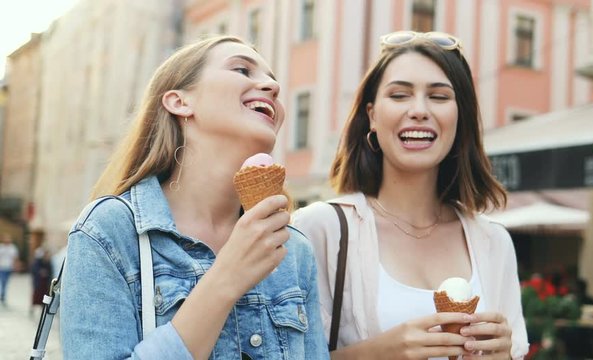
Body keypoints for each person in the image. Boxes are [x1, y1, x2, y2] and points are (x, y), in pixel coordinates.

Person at [60, 35, 328, 359]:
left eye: (272, 79)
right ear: (179, 101)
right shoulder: (109, 232)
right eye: (242, 70)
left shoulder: (292, 248)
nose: (273, 87)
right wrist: (226, 278)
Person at [293, 31, 528, 359]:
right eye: (400, 95)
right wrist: (377, 353)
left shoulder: (493, 241)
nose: (419, 110)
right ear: (373, 115)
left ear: (460, 118)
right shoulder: (319, 229)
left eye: (439, 97)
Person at [29, 230, 52, 315]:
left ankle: (43, 305)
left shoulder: (44, 248)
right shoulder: (37, 250)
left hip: (44, 278)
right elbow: (35, 265)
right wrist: (40, 271)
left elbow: (48, 264)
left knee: (43, 291)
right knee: (37, 291)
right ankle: (34, 307)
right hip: (38, 277)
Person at [0, 233, 19, 306]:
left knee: (6, 282)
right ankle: (2, 294)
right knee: (3, 281)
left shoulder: (12, 248)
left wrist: (15, 266)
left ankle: (3, 294)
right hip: (2, 267)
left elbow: (15, 258)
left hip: (9, 267)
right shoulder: (1, 247)